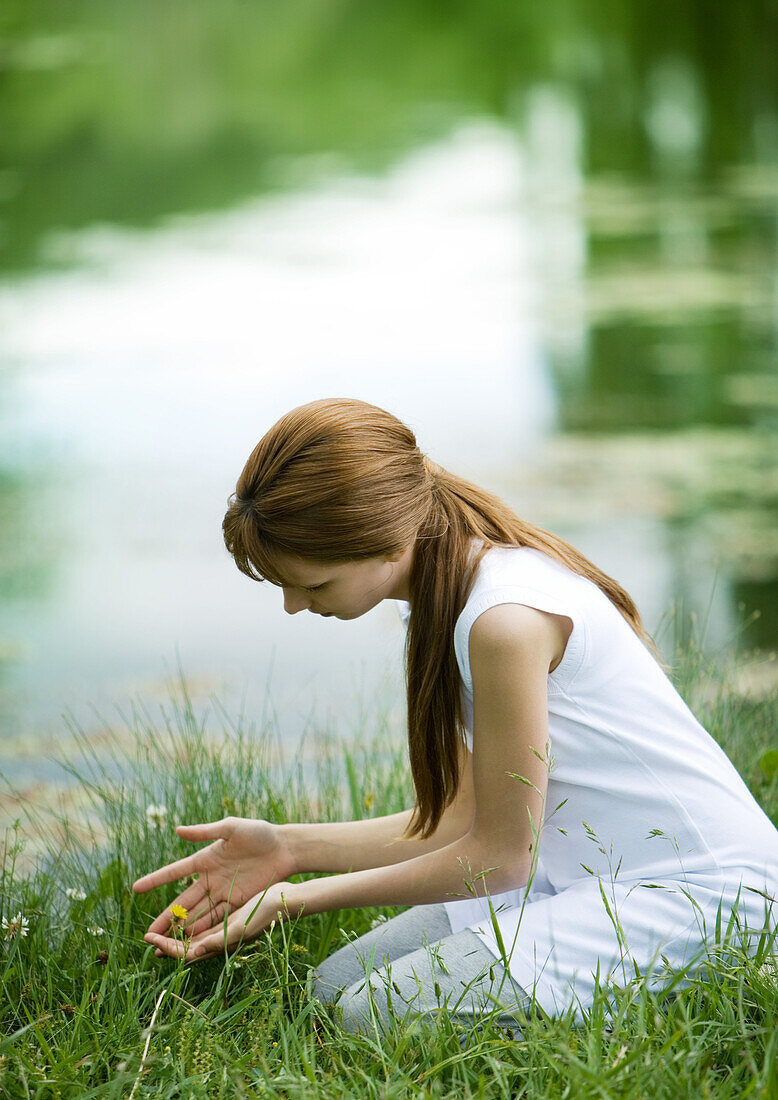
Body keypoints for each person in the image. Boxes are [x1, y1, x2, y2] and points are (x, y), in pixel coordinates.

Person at [132, 398, 778, 1037]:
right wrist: (290, 848)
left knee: (368, 1017)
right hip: (581, 877)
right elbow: (470, 815)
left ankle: (668, 1009)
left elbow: (499, 860)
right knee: (330, 992)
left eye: (313, 584)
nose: (294, 606)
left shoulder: (504, 620)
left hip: (702, 899)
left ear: (383, 542)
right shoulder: (450, 590)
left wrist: (292, 898)